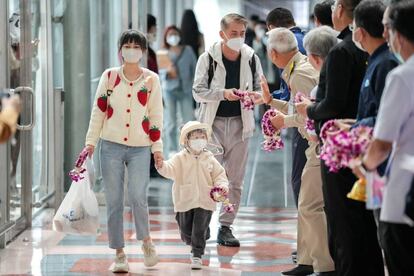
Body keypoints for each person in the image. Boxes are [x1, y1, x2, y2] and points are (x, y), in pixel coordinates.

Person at [295, 1, 384, 275]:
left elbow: (331, 102)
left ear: (342, 8)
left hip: (342, 145)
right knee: (363, 222)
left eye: (334, 4)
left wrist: (308, 109)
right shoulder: (366, 52)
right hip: (362, 143)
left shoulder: (342, 50)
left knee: (343, 222)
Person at [250, 27, 335, 276]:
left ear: (273, 53)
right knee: (305, 205)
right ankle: (307, 260)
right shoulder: (298, 67)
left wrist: (281, 121)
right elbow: (296, 106)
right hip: (314, 143)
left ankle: (324, 264)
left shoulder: (299, 74)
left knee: (309, 206)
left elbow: (309, 114)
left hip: (317, 145)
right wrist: (271, 101)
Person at [84, 29, 163, 273]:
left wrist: (157, 148)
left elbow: (155, 116)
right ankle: (119, 253)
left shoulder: (151, 80)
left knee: (138, 197)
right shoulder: (109, 77)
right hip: (110, 146)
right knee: (115, 200)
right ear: (121, 50)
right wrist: (90, 143)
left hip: (140, 147)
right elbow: (99, 110)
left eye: (136, 46)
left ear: (142, 51)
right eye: (127, 45)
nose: (131, 49)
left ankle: (146, 242)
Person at [192, 13, 263, 247]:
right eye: (234, 33)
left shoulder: (251, 58)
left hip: (241, 126)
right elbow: (197, 91)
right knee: (209, 178)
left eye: (242, 33)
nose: (239, 38)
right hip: (212, 126)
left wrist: (253, 97)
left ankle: (226, 226)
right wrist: (223, 93)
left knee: (235, 181)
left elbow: (262, 91)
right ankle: (203, 224)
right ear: (222, 34)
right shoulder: (208, 58)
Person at [358, 1, 414, 275]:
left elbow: (382, 143)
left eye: (387, 28)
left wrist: (364, 166)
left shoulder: (402, 76)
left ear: (397, 33)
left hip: (405, 190)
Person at [157, 121, 229, 270]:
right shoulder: (180, 158)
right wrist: (161, 166)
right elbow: (169, 169)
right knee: (186, 231)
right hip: (185, 200)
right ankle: (201, 235)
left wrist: (221, 187)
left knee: (198, 227)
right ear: (186, 141)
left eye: (202, 137)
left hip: (205, 201)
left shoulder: (209, 158)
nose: (199, 140)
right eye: (195, 137)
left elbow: (220, 174)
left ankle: (197, 254)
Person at [266, 7, 308, 214]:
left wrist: (284, 119)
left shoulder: (297, 66)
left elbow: (301, 106)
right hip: (301, 116)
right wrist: (270, 100)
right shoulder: (303, 41)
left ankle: (309, 245)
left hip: (305, 124)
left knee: (301, 182)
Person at [351, 0, 399, 176]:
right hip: (373, 153)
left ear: (360, 32)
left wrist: (354, 127)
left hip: (383, 160)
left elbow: (384, 118)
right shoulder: (375, 61)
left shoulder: (386, 64)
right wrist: (353, 124)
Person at [160, 25, 197, 157]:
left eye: (175, 34)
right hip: (169, 90)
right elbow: (161, 73)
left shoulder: (188, 50)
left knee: (188, 120)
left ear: (180, 35)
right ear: (166, 37)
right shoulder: (163, 52)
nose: (173, 37)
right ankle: (171, 150)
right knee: (170, 122)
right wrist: (168, 73)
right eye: (170, 35)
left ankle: (188, 147)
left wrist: (194, 85)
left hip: (186, 89)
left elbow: (195, 68)